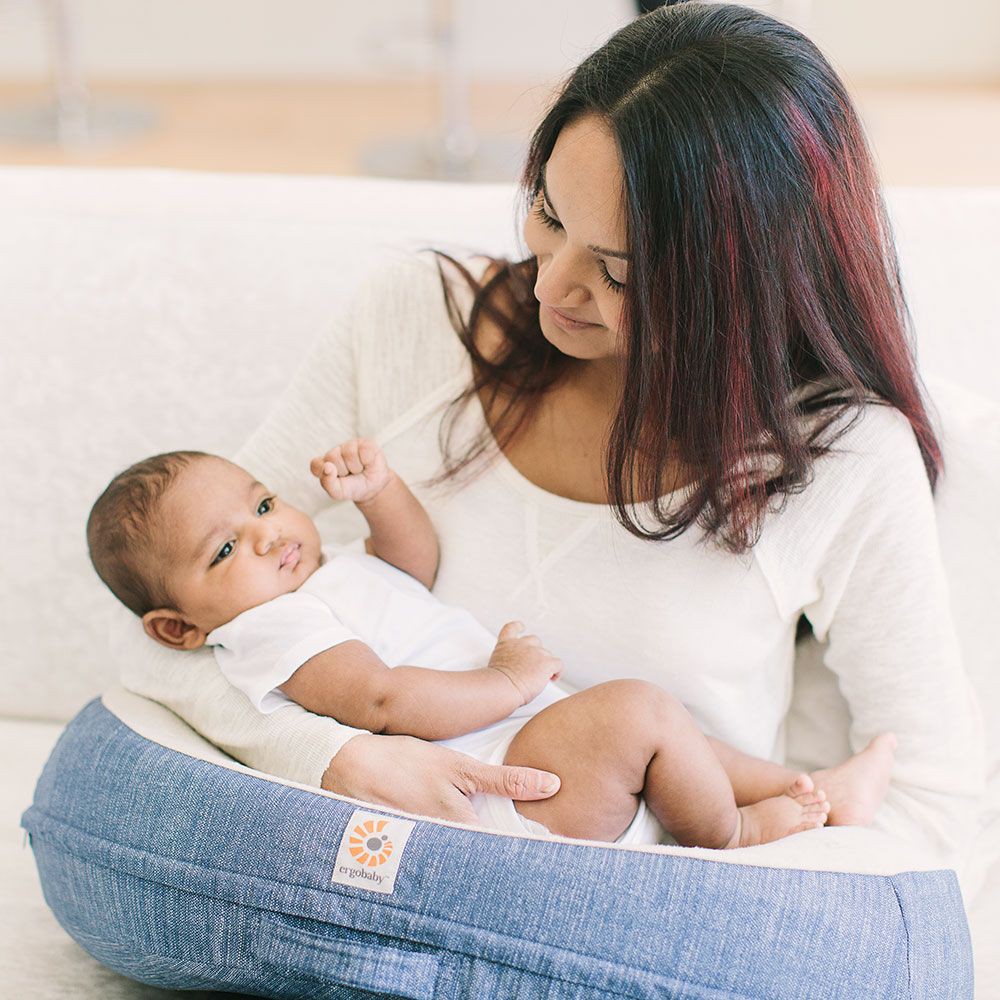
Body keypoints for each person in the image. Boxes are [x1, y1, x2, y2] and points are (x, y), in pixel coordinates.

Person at [119, 2, 982, 859]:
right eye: (550, 215)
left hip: (662, 883)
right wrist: (342, 761)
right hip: (406, 850)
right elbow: (164, 631)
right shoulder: (417, 321)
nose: (549, 290)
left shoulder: (842, 458)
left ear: (743, 290)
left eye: (615, 274)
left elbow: (934, 797)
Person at [91, 443, 901, 847]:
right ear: (179, 628)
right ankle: (733, 840)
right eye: (224, 551)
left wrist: (380, 495)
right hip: (508, 787)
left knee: (676, 731)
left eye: (263, 505)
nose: (266, 538)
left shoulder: (316, 580)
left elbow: (410, 568)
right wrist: (510, 683)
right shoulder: (267, 632)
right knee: (640, 712)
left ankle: (818, 792)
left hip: (531, 742)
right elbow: (382, 701)